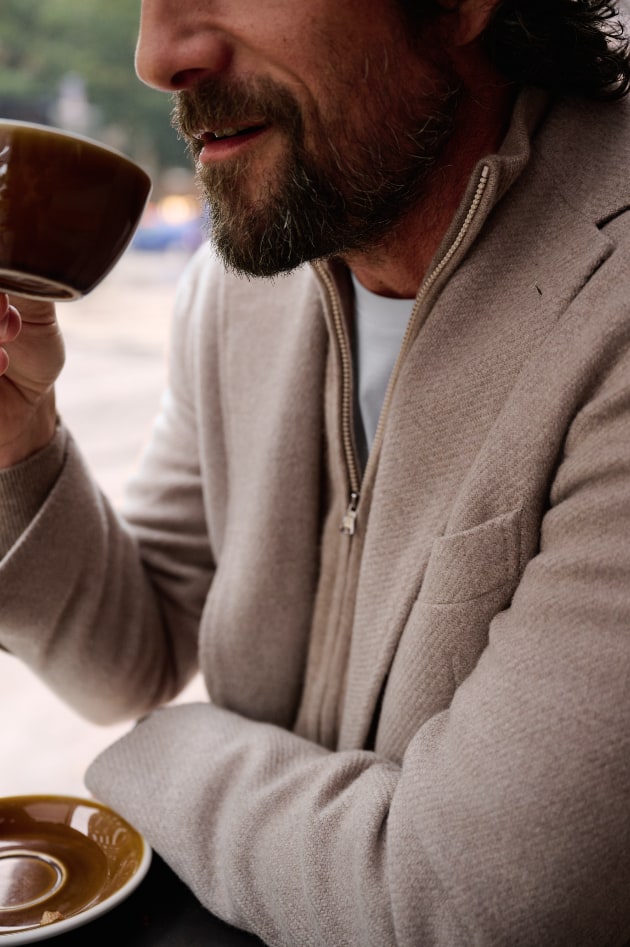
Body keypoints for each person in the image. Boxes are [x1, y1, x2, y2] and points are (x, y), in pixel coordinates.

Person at [2, 0, 630, 942]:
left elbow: (468, 897)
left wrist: (156, 752)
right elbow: (132, 656)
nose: (157, 54)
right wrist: (18, 440)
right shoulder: (238, 280)